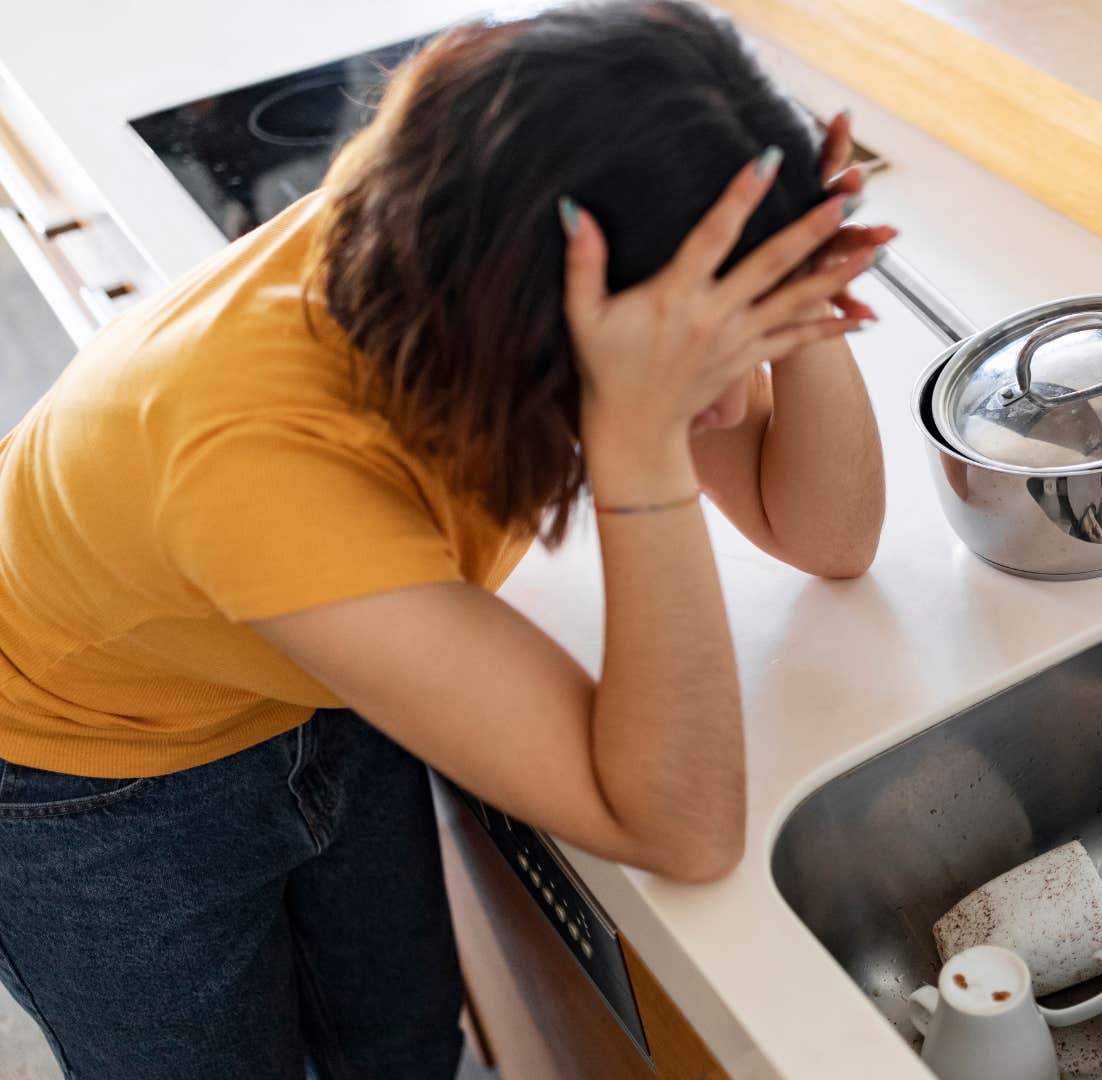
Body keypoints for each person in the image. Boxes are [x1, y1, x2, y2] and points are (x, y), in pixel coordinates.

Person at [0, 3, 891, 1076]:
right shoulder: (261, 467)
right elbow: (683, 829)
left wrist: (803, 301)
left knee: (401, 1044)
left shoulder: (494, 215)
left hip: (302, 656)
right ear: (541, 321)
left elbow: (826, 535)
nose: (723, 403)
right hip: (82, 772)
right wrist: (639, 438)